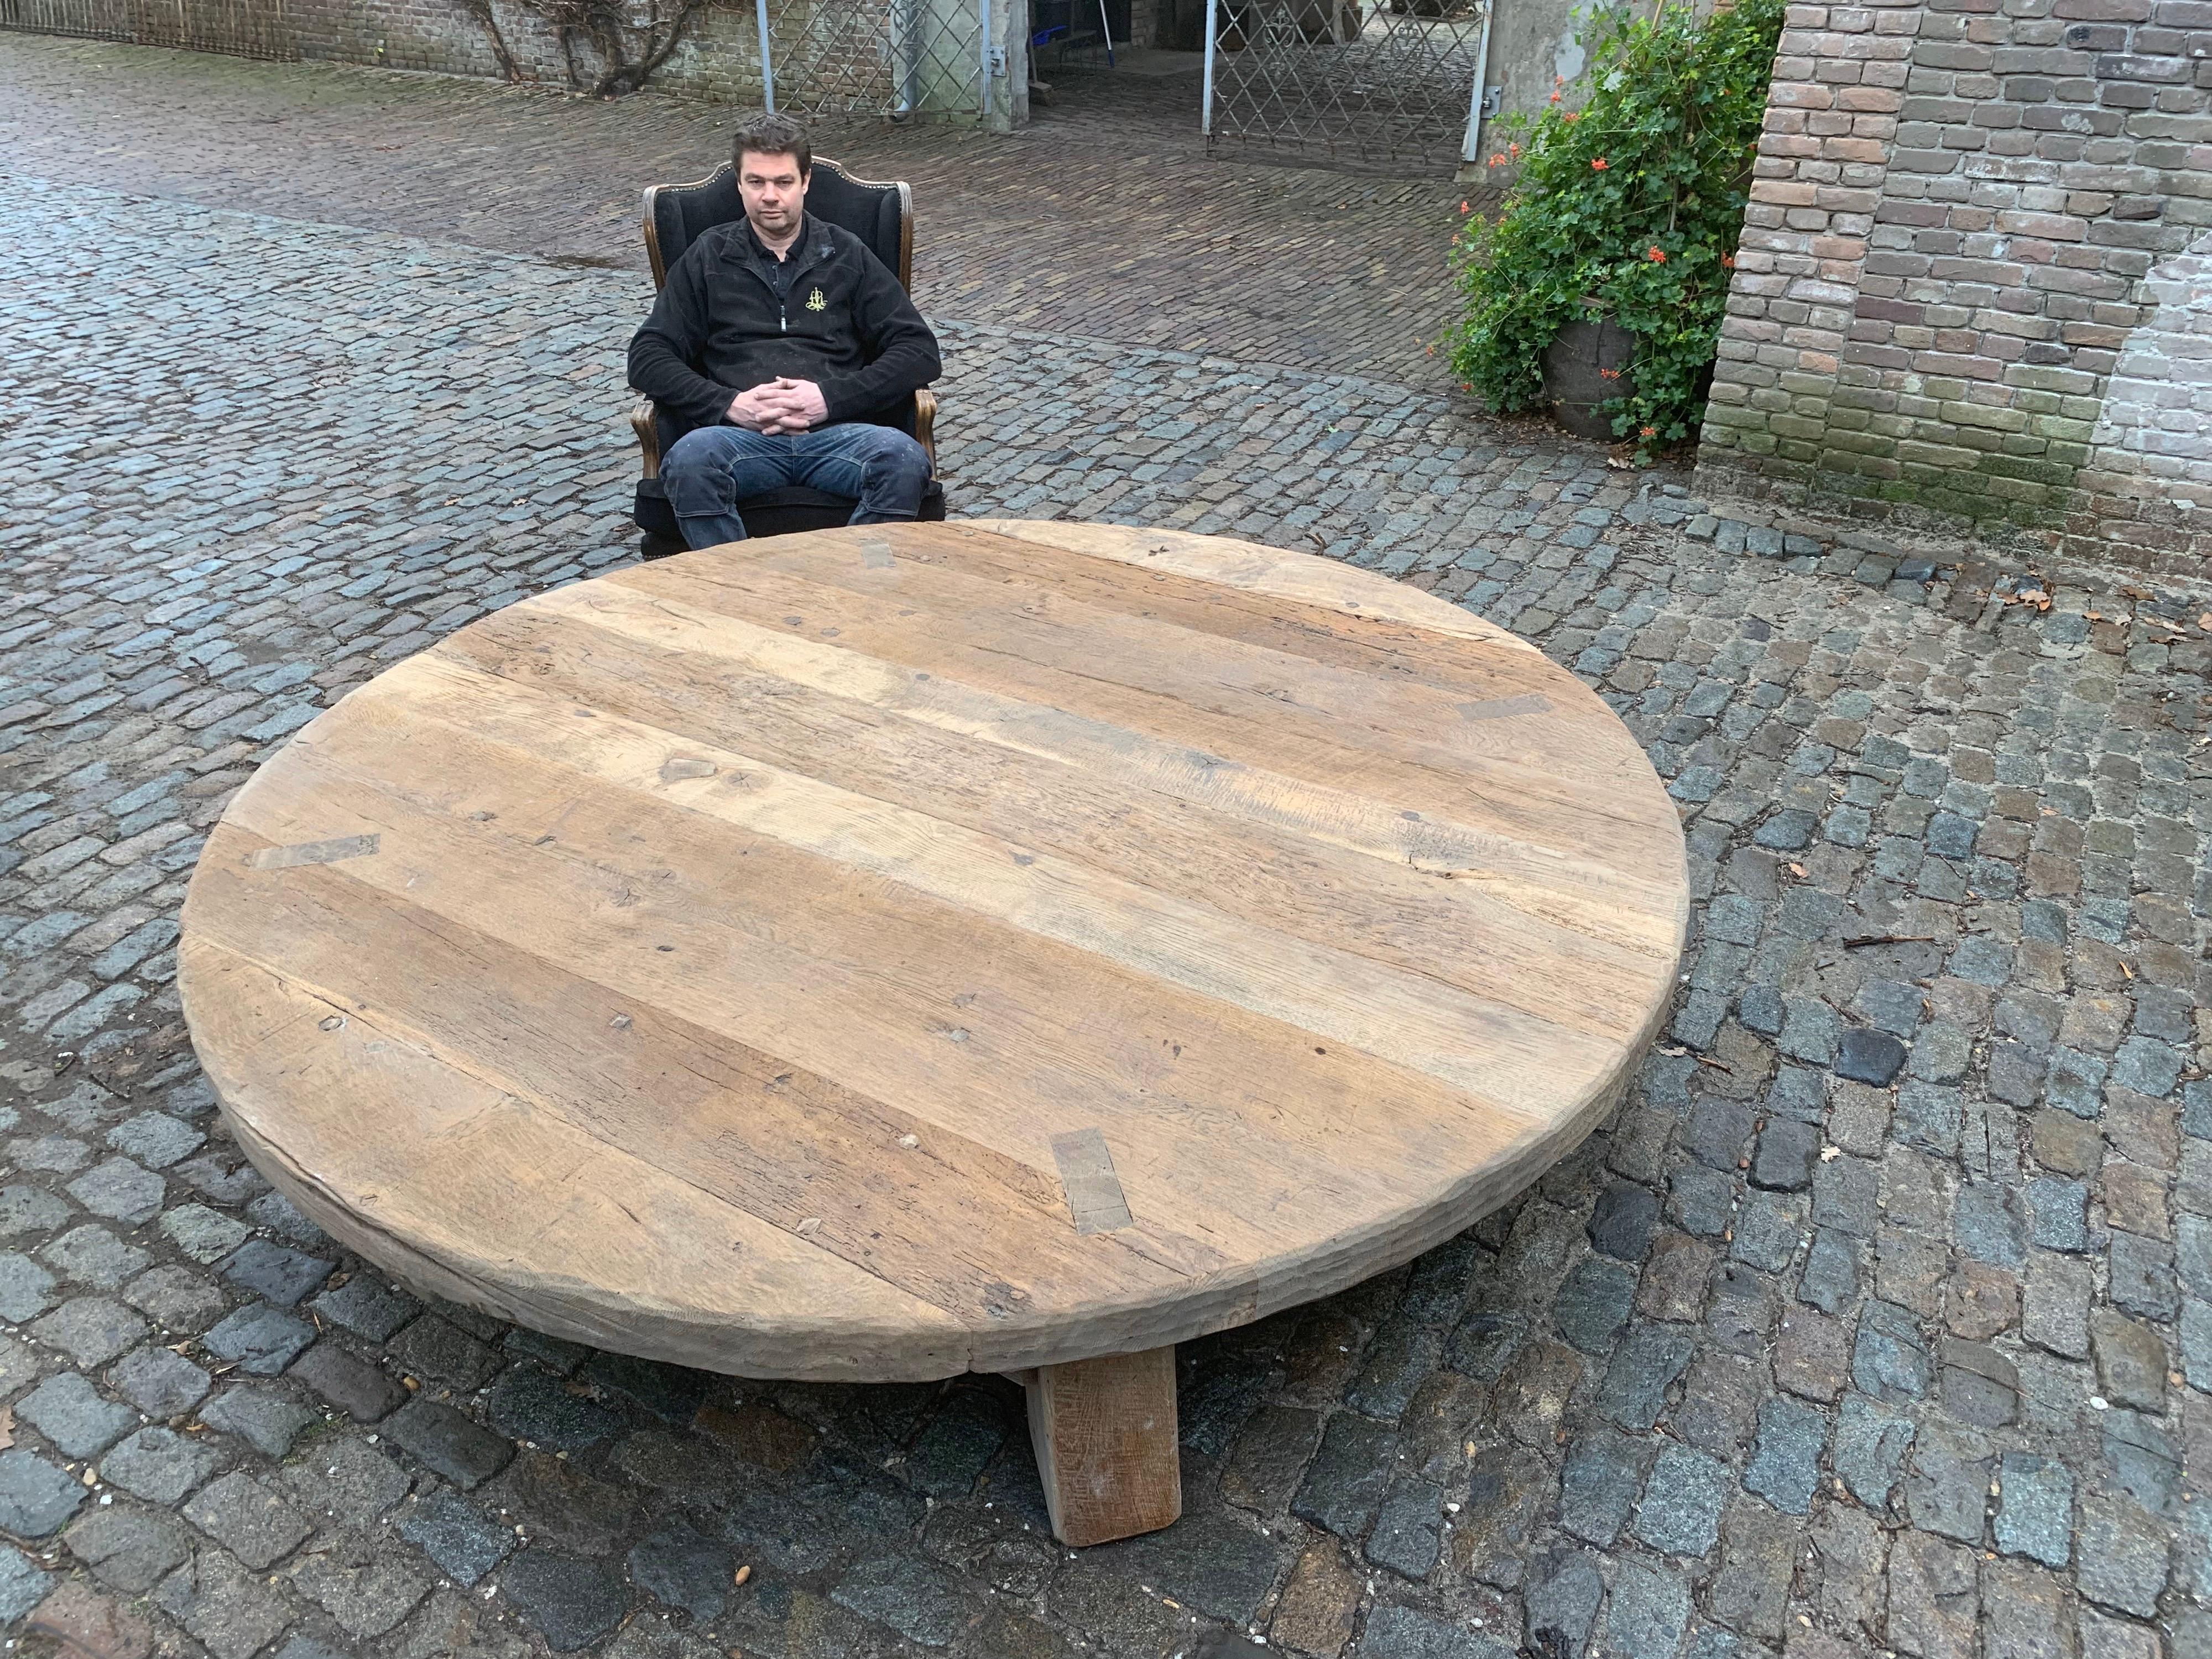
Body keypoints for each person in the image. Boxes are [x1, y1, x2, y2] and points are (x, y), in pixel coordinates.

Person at [628, 113, 942, 549]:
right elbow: (647, 357)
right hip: (735, 443)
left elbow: (919, 351)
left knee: (902, 459)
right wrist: (730, 404)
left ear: (806, 181)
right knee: (691, 461)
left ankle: (854, 586)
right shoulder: (709, 257)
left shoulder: (847, 253)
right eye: (756, 183)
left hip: (839, 438)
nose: (770, 197)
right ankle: (741, 590)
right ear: (739, 184)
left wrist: (827, 400)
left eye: (783, 182)